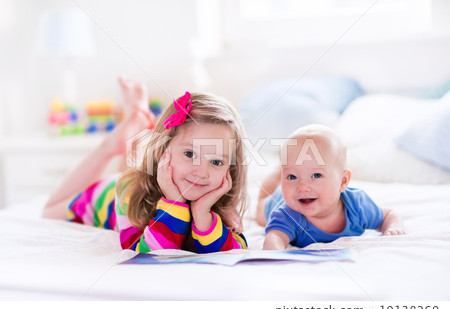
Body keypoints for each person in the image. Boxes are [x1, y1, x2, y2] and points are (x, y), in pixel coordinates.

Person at [43, 77, 248, 253]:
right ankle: (111, 145)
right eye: (189, 154)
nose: (202, 172)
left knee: (133, 169)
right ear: (163, 149)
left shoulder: (219, 199)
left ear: (230, 169)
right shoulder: (129, 191)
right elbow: (146, 253)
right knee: (49, 211)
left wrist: (203, 215)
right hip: (108, 197)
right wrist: (174, 200)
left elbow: (235, 251)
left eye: (216, 161)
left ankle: (136, 125)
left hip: (140, 178)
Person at [256, 124, 406, 250]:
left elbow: (389, 214)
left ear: (342, 182)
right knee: (262, 204)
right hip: (276, 201)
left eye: (316, 175)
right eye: (291, 177)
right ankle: (277, 173)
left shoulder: (357, 206)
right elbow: (274, 236)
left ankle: (281, 171)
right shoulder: (287, 214)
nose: (302, 187)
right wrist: (275, 250)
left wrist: (392, 228)